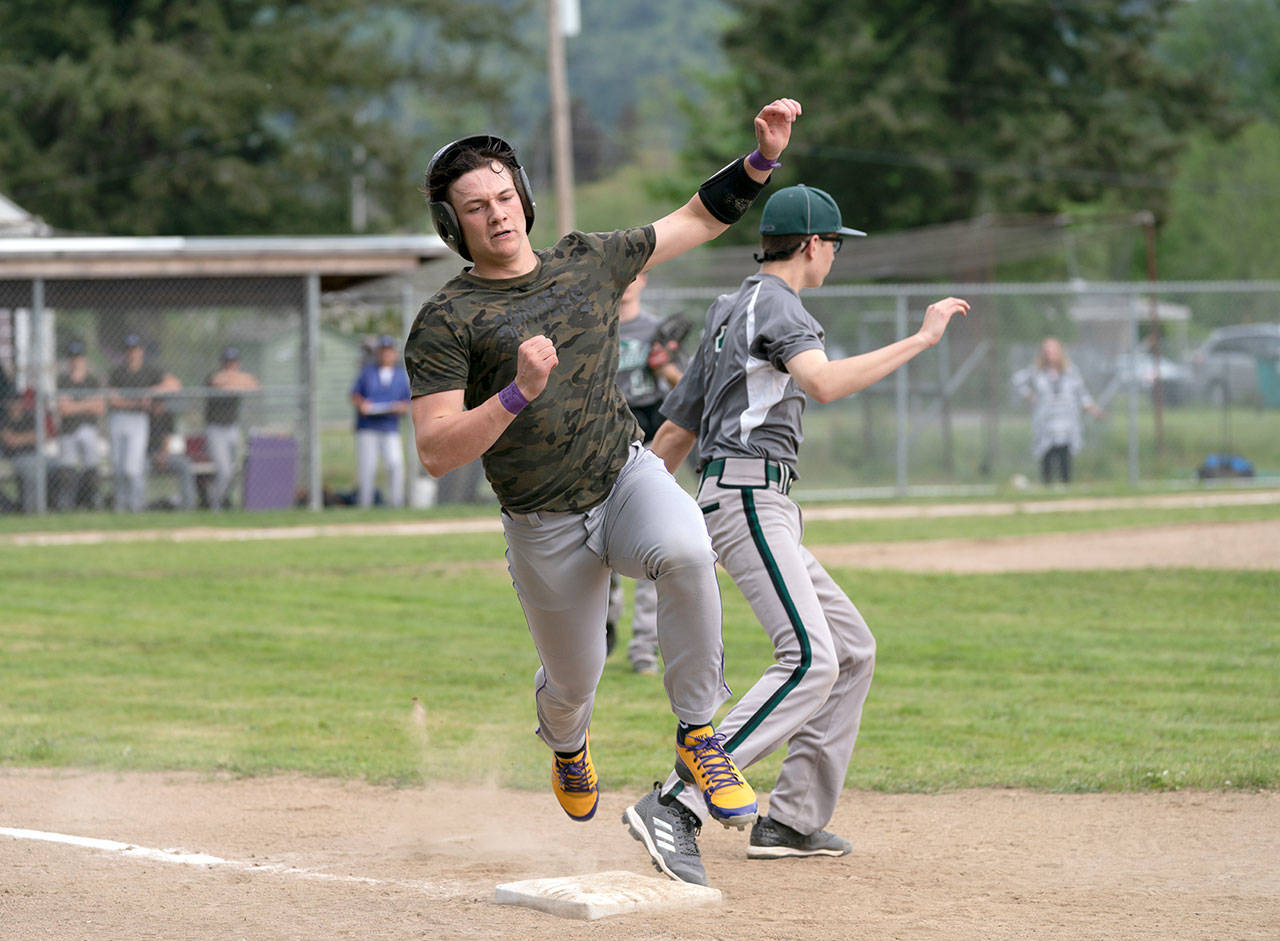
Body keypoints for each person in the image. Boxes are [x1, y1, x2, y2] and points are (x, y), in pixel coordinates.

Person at [405, 98, 801, 831]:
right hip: (542, 521)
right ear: (452, 226)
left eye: (502, 197)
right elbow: (435, 450)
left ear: (522, 197)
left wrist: (761, 161)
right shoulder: (448, 319)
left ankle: (698, 733)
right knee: (574, 679)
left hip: (624, 476)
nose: (496, 215)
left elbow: (697, 218)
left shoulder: (587, 260)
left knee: (687, 547)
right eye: (475, 208)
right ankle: (566, 742)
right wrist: (517, 393)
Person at [622, 184, 969, 886]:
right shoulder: (779, 305)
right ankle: (677, 800)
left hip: (745, 495)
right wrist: (923, 337)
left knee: (852, 650)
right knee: (810, 655)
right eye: (835, 242)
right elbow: (826, 382)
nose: (835, 253)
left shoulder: (729, 308)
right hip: (750, 495)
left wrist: (634, 510)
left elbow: (674, 429)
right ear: (812, 244)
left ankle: (790, 817)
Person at [605, 271, 682, 674]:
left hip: (651, 441)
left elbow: (685, 387)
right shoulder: (595, 326)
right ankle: (604, 626)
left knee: (654, 543)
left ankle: (643, 648)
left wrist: (664, 365)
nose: (628, 280)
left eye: (635, 273)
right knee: (600, 544)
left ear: (646, 279)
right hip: (604, 445)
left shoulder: (655, 328)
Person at [1012, 336, 1103, 486]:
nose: (1050, 354)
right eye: (1046, 351)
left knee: (1064, 456)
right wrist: (1030, 395)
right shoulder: (1037, 372)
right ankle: (1047, 487)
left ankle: (1066, 488)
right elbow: (1017, 381)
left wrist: (1092, 409)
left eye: (1053, 350)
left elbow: (1082, 393)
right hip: (1046, 423)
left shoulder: (1070, 371)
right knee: (1047, 455)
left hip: (1066, 422)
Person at [107, 335, 181, 512]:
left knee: (133, 468)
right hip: (119, 418)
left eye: (136, 350)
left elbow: (174, 384)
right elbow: (112, 399)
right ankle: (120, 504)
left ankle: (136, 505)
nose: (133, 354)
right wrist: (136, 403)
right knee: (119, 466)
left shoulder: (150, 372)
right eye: (129, 350)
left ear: (141, 351)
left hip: (138, 420)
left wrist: (149, 392)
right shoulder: (117, 372)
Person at [350, 334, 412, 508]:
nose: (386, 355)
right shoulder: (368, 372)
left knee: (395, 464)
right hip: (368, 426)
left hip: (390, 426)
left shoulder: (400, 376)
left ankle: (396, 503)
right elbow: (355, 395)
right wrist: (362, 404)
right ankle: (365, 505)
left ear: (393, 354)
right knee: (367, 467)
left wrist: (401, 407)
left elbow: (407, 401)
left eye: (389, 351)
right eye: (383, 351)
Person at [204, 346, 260, 510]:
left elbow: (254, 384)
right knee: (224, 470)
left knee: (236, 469)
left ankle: (224, 500)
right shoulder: (212, 376)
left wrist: (235, 382)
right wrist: (237, 382)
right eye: (228, 362)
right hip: (216, 430)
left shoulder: (239, 376)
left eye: (234, 362)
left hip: (233, 429)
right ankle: (214, 501)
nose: (231, 366)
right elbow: (218, 382)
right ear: (222, 363)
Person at [1, 387, 72, 513]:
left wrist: (20, 438)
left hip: (37, 454)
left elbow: (43, 435)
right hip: (17, 458)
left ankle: (60, 506)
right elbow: (10, 440)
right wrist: (30, 437)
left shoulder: (29, 417)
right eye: (13, 402)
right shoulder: (4, 419)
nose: (16, 405)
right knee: (31, 470)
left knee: (60, 467)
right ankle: (30, 510)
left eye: (18, 401)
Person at [55, 339, 106, 510]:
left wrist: (75, 405)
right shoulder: (63, 379)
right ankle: (67, 503)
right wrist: (86, 404)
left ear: (84, 358)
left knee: (91, 457)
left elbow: (99, 408)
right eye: (72, 357)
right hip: (68, 429)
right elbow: (63, 409)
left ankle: (93, 500)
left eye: (78, 356)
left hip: (88, 427)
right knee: (67, 468)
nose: (75, 360)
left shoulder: (92, 380)